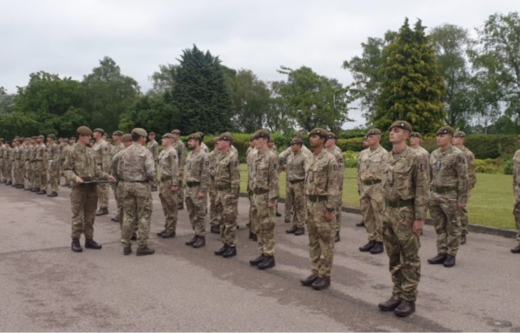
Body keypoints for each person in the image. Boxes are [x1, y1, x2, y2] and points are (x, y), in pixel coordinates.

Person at [376, 121, 429, 318]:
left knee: (410, 258)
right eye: (390, 130)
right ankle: (397, 294)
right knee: (393, 256)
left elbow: (422, 189)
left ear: (406, 135)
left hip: (406, 212)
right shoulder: (386, 157)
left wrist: (420, 217)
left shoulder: (416, 158)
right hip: (388, 211)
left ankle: (409, 298)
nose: (392, 133)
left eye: (396, 130)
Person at [63, 126, 114, 253]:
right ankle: (75, 240)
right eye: (87, 136)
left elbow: (96, 169)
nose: (90, 138)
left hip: (92, 187)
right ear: (80, 136)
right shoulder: (71, 150)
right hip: (79, 188)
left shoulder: (91, 151)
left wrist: (106, 175)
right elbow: (67, 169)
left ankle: (89, 239)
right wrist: (75, 178)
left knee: (90, 216)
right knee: (78, 216)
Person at [300, 128, 339, 291]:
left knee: (326, 242)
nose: (311, 139)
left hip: (323, 205)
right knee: (313, 240)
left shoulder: (330, 159)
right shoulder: (309, 158)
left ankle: (324, 275)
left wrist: (330, 208)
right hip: (310, 203)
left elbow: (334, 185)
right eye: (310, 136)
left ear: (323, 140)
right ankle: (315, 271)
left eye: (314, 136)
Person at [427, 126, 468, 268]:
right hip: (435, 194)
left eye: (442, 136)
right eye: (437, 135)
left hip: (450, 195)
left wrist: (462, 199)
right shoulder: (434, 154)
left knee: (453, 226)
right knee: (439, 226)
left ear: (450, 137)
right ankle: (441, 252)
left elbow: (463, 178)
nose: (438, 138)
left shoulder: (458, 155)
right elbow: (430, 175)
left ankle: (451, 254)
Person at [116, 128, 156, 256]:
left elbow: (119, 171)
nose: (145, 140)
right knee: (144, 215)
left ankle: (126, 245)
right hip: (141, 186)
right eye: (144, 138)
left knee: (128, 215)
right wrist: (152, 181)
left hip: (127, 185)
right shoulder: (145, 152)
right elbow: (150, 172)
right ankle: (142, 246)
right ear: (141, 138)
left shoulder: (123, 152)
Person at [248, 129, 279, 270]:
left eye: (258, 139)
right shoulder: (255, 155)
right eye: (255, 139)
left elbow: (274, 179)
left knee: (268, 226)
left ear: (265, 140)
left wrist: (272, 199)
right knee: (259, 226)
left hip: (266, 196)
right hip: (257, 195)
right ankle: (262, 252)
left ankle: (269, 255)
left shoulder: (271, 156)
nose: (255, 141)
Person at [357, 129, 387, 254]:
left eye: (372, 136)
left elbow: (386, 174)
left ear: (379, 138)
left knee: (379, 215)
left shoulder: (384, 154)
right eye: (368, 136)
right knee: (367, 214)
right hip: (365, 187)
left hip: (377, 187)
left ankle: (379, 241)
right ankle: (371, 238)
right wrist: (359, 186)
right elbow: (359, 171)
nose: (369, 138)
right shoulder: (363, 154)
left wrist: (384, 191)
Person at [213, 132, 241, 258]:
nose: (218, 142)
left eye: (221, 141)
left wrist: (234, 196)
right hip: (220, 192)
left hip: (228, 193)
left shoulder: (232, 157)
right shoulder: (219, 156)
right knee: (222, 219)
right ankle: (225, 243)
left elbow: (236, 178)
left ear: (227, 142)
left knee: (230, 220)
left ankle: (232, 246)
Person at [184, 132, 210, 248]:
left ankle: (201, 236)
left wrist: (202, 191)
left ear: (197, 141)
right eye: (189, 141)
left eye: (191, 141)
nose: (189, 143)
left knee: (200, 213)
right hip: (189, 187)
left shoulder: (203, 155)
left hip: (197, 187)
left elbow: (205, 174)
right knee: (191, 213)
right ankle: (196, 233)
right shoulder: (189, 154)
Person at [452, 131, 476, 245]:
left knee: (462, 210)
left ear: (462, 139)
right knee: (451, 210)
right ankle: (453, 232)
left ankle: (463, 232)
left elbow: (471, 173)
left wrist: (468, 188)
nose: (454, 139)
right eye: (454, 137)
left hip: (462, 186)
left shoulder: (468, 154)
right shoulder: (450, 151)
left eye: (457, 137)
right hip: (451, 185)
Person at [156, 133, 180, 239]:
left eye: (165, 138)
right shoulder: (162, 152)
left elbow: (175, 168)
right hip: (162, 182)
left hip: (169, 181)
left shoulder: (172, 152)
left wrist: (175, 183)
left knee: (171, 206)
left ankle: (171, 230)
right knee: (165, 206)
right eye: (163, 138)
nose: (162, 140)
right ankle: (167, 227)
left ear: (171, 140)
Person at [284, 137, 307, 236]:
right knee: (293, 205)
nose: (292, 146)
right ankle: (295, 225)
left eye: (294, 144)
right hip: (291, 183)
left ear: (299, 146)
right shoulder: (290, 157)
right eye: (291, 144)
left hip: (299, 183)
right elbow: (288, 170)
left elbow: (307, 173)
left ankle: (301, 226)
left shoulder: (304, 157)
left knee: (300, 206)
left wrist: (305, 187)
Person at [110, 134, 133, 228]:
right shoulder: (121, 151)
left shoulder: (124, 151)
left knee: (128, 203)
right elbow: (113, 164)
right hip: (124, 180)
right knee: (122, 201)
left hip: (129, 181)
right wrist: (115, 177)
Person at [325, 132, 345, 242]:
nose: (326, 141)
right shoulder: (326, 152)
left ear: (333, 140)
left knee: (336, 209)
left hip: (335, 186)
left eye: (328, 139)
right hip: (327, 186)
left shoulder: (337, 153)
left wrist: (338, 188)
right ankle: (330, 230)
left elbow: (339, 173)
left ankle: (336, 232)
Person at [93, 129, 110, 216]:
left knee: (103, 188)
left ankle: (104, 207)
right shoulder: (97, 143)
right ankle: (101, 205)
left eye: (95, 132)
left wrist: (105, 172)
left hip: (101, 168)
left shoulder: (103, 144)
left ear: (99, 134)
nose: (93, 134)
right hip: (96, 168)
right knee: (99, 189)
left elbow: (105, 159)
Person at [110, 131, 125, 222]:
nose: (112, 136)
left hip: (120, 175)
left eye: (114, 135)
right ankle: (120, 212)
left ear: (119, 136)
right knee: (116, 195)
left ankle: (122, 214)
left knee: (121, 196)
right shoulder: (114, 147)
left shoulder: (122, 147)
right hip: (113, 174)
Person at [208, 138, 221, 234]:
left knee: (220, 204)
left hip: (221, 184)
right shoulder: (211, 155)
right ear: (216, 144)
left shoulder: (222, 154)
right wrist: (218, 175)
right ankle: (214, 223)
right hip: (213, 184)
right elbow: (209, 169)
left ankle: (219, 221)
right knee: (214, 203)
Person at [171, 129, 186, 210]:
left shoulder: (180, 144)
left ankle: (180, 202)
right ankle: (176, 200)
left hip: (178, 167)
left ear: (177, 135)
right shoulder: (173, 144)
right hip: (173, 168)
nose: (172, 136)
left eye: (173, 134)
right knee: (174, 183)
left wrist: (181, 168)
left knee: (179, 184)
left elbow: (183, 157)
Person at [246, 135, 257, 240]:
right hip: (254, 185)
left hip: (252, 183)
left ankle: (253, 230)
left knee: (253, 208)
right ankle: (254, 230)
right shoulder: (254, 153)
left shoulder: (251, 152)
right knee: (255, 209)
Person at [512, 134, 520, 254]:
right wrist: (514, 188)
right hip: (519, 189)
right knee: (517, 213)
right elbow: (515, 173)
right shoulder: (517, 153)